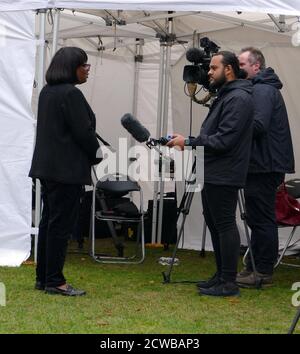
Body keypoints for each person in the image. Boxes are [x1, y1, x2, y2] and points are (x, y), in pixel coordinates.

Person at [167, 51, 254, 297]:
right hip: (213, 168)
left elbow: (225, 139)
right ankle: (221, 275)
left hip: (224, 170)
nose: (208, 72)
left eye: (213, 68)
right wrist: (189, 142)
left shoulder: (238, 98)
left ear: (228, 70)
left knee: (225, 223)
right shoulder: (227, 95)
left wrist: (191, 142)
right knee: (215, 223)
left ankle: (228, 281)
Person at [29, 47, 101, 296]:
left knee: (49, 222)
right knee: (59, 225)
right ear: (72, 67)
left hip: (48, 168)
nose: (87, 69)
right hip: (66, 170)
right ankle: (55, 281)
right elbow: (83, 133)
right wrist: (97, 154)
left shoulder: (47, 92)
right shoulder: (71, 94)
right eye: (84, 65)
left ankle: (44, 277)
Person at [236, 47, 295, 287]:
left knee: (261, 218)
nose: (237, 68)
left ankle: (262, 272)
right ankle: (255, 266)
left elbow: (258, 125)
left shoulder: (262, 90)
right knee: (257, 217)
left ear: (256, 66)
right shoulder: (262, 88)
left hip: (264, 164)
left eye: (241, 64)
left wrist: (232, 128)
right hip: (263, 163)